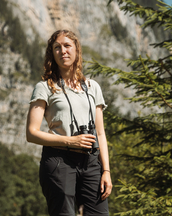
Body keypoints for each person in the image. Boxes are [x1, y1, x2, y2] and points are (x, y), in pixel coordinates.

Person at [26, 29, 112, 216]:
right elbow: (31, 133)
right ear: (52, 53)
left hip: (91, 162)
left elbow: (101, 133)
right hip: (59, 161)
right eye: (57, 47)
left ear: (76, 50)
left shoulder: (92, 87)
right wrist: (70, 141)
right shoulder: (45, 87)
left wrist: (106, 170)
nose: (63, 51)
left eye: (67, 46)